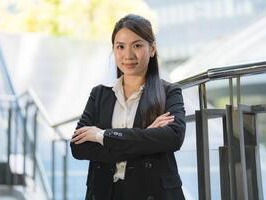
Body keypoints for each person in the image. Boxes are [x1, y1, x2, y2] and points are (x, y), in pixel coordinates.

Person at [70, 14, 186, 200]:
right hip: (105, 192)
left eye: (137, 45)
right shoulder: (99, 94)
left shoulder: (169, 92)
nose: (128, 55)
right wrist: (146, 136)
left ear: (152, 49)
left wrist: (102, 136)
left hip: (151, 191)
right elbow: (78, 147)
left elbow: (173, 137)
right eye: (120, 46)